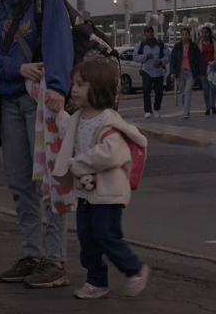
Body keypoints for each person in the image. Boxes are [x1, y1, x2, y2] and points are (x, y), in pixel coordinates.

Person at [0, 0, 73, 288]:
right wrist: (15, 69)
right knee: (20, 182)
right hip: (9, 101)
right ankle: (33, 254)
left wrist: (59, 90)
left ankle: (57, 261)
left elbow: (58, 44)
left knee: (50, 181)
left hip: (42, 102)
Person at [52, 59, 149, 299]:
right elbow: (68, 131)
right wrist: (58, 113)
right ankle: (96, 282)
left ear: (99, 88)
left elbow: (111, 154)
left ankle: (134, 269)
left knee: (106, 235)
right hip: (86, 191)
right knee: (87, 239)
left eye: (81, 84)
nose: (74, 89)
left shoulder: (108, 121)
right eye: (73, 84)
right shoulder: (79, 117)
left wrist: (77, 164)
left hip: (108, 192)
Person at [133, 26, 169, 119]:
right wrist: (145, 57)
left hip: (159, 72)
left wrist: (160, 61)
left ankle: (157, 108)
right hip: (146, 71)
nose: (150, 33)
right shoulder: (141, 44)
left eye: (151, 31)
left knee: (159, 92)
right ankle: (148, 111)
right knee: (146, 91)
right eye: (147, 32)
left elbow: (167, 56)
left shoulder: (160, 44)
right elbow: (135, 57)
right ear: (145, 33)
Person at [169, 28, 205, 119]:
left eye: (186, 34)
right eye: (183, 34)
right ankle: (185, 105)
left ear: (189, 35)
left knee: (188, 91)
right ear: (181, 36)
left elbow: (199, 59)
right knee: (183, 92)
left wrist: (201, 72)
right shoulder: (177, 47)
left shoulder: (193, 47)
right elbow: (172, 60)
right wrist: (172, 72)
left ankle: (186, 111)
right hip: (180, 72)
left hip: (190, 72)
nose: (185, 36)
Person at [197, 26, 216, 116]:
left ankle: (213, 105)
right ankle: (207, 108)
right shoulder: (199, 43)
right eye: (203, 32)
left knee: (212, 87)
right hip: (203, 68)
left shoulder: (215, 43)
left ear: (209, 33)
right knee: (205, 88)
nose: (204, 34)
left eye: (206, 32)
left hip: (213, 68)